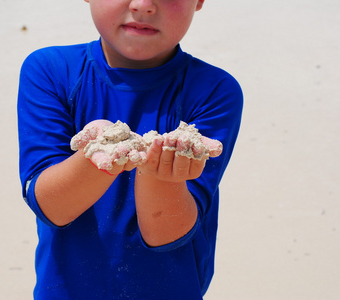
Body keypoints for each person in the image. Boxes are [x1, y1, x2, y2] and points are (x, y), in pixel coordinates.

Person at [17, 0, 243, 299]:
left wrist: (160, 173)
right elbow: (52, 206)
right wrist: (98, 155)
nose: (144, 5)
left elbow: (165, 234)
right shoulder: (51, 71)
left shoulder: (214, 90)